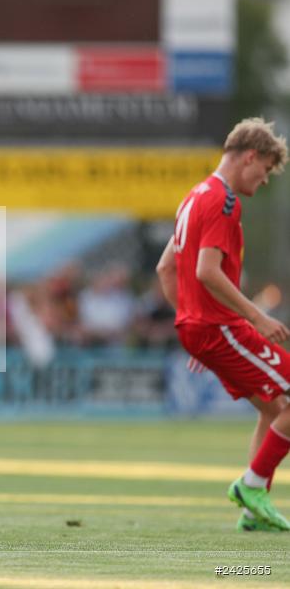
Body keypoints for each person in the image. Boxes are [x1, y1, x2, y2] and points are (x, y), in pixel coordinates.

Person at [156, 117, 290, 532]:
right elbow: (206, 271)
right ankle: (251, 486)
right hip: (222, 326)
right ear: (250, 156)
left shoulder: (194, 197)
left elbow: (165, 269)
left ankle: (253, 511)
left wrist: (192, 322)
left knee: (274, 408)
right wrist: (256, 315)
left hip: (204, 327)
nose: (265, 179)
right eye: (265, 169)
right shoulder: (224, 202)